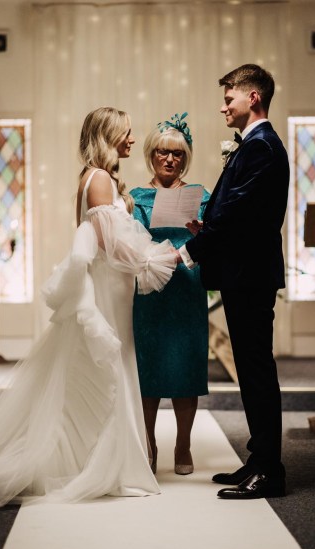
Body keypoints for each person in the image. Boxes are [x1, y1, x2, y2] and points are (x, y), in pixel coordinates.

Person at [0, 107, 177, 510]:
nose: (131, 139)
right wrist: (156, 260)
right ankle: (104, 464)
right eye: (125, 133)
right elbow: (110, 243)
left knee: (98, 367)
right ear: (108, 136)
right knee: (108, 365)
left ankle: (92, 457)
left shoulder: (92, 177)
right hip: (108, 288)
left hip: (111, 287)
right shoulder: (101, 179)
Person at [179, 65, 289, 499]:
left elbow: (239, 213)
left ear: (254, 99)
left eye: (230, 98)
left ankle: (271, 472)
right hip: (243, 272)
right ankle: (258, 459)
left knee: (258, 372)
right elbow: (238, 211)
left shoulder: (262, 147)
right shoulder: (253, 146)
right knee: (250, 370)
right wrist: (207, 227)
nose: (224, 106)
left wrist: (194, 247)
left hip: (250, 275)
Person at [131, 114, 209, 475]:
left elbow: (213, 241)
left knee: (185, 366)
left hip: (186, 288)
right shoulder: (135, 198)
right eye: (163, 152)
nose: (169, 160)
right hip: (149, 293)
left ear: (185, 158)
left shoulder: (201, 196)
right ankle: (149, 442)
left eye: (177, 155)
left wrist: (203, 231)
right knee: (148, 370)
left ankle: (184, 443)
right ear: (151, 154)